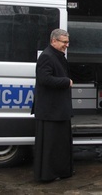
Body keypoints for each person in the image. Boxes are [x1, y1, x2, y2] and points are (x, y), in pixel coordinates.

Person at [32, 28, 73, 182]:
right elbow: (44, 79)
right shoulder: (47, 57)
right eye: (64, 42)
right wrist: (66, 81)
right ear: (53, 41)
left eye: (68, 42)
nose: (67, 45)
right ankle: (48, 175)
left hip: (58, 109)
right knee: (50, 146)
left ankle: (60, 171)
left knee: (59, 144)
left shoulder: (57, 55)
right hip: (50, 110)